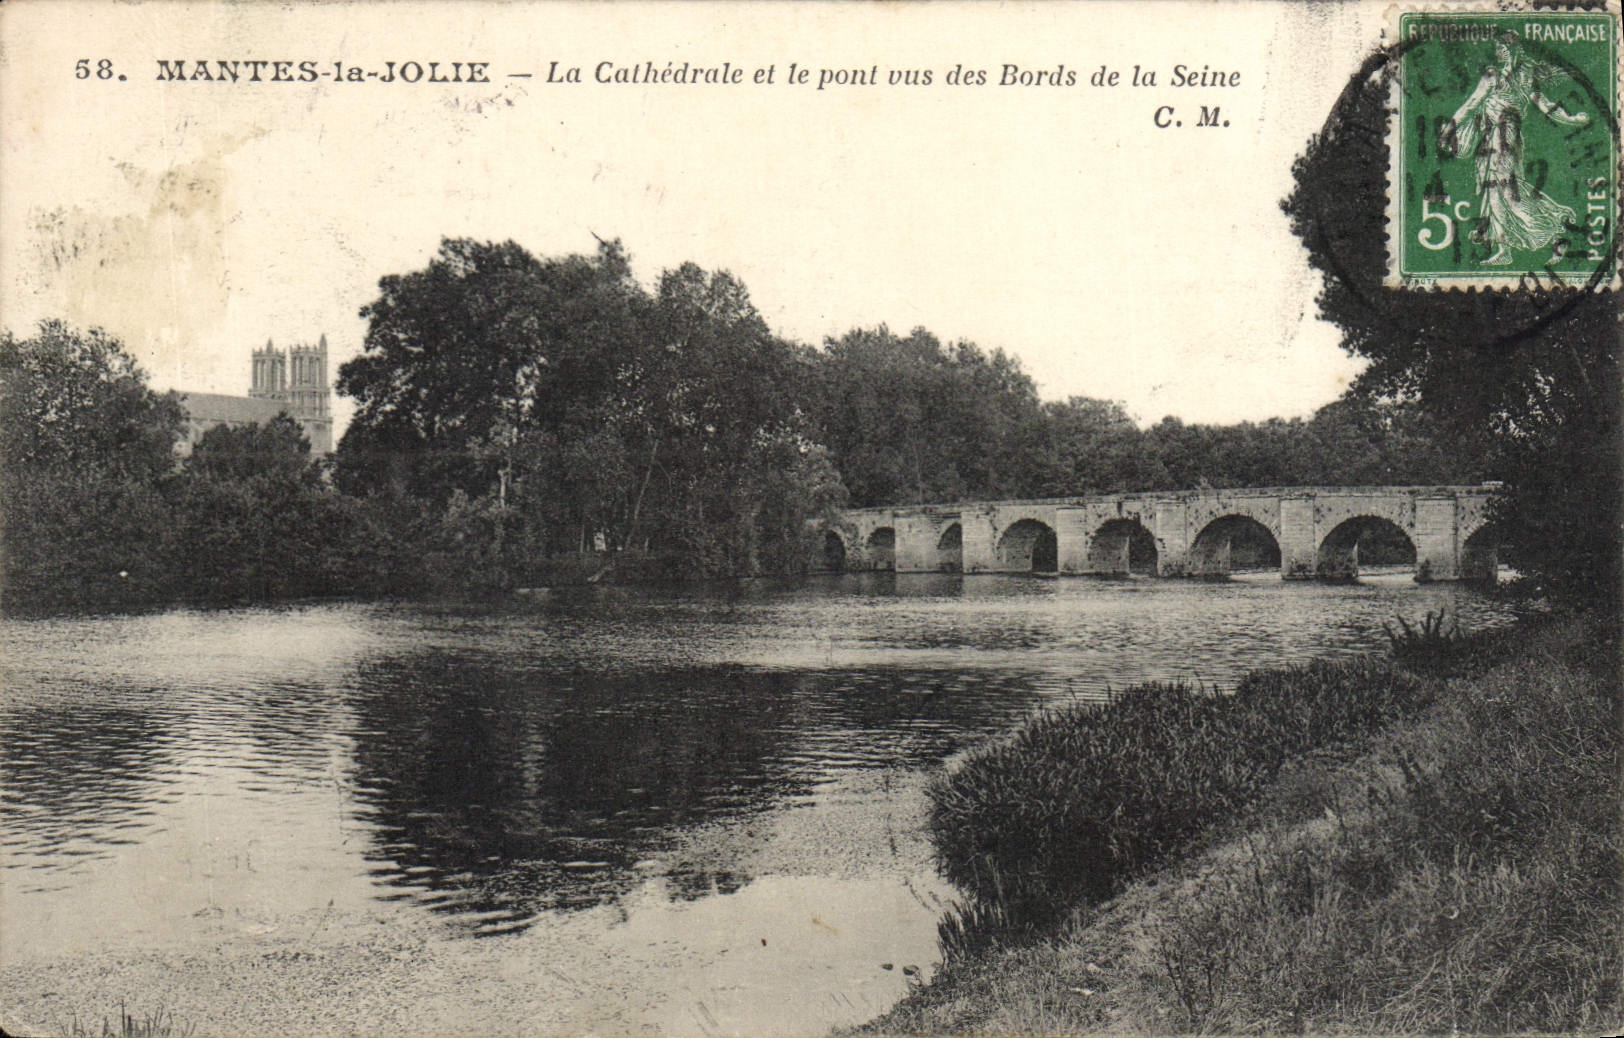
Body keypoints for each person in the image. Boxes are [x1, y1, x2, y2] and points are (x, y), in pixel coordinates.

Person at [1440, 32, 1590, 265]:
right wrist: (1570, 119)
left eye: (1501, 47)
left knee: (1508, 192)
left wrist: (1448, 131)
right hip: (1502, 137)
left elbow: (1470, 106)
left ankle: (1555, 231)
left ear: (1511, 50)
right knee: (1497, 191)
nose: (1498, 52)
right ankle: (1506, 248)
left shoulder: (1495, 75)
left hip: (1502, 137)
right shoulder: (1523, 75)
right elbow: (1546, 105)